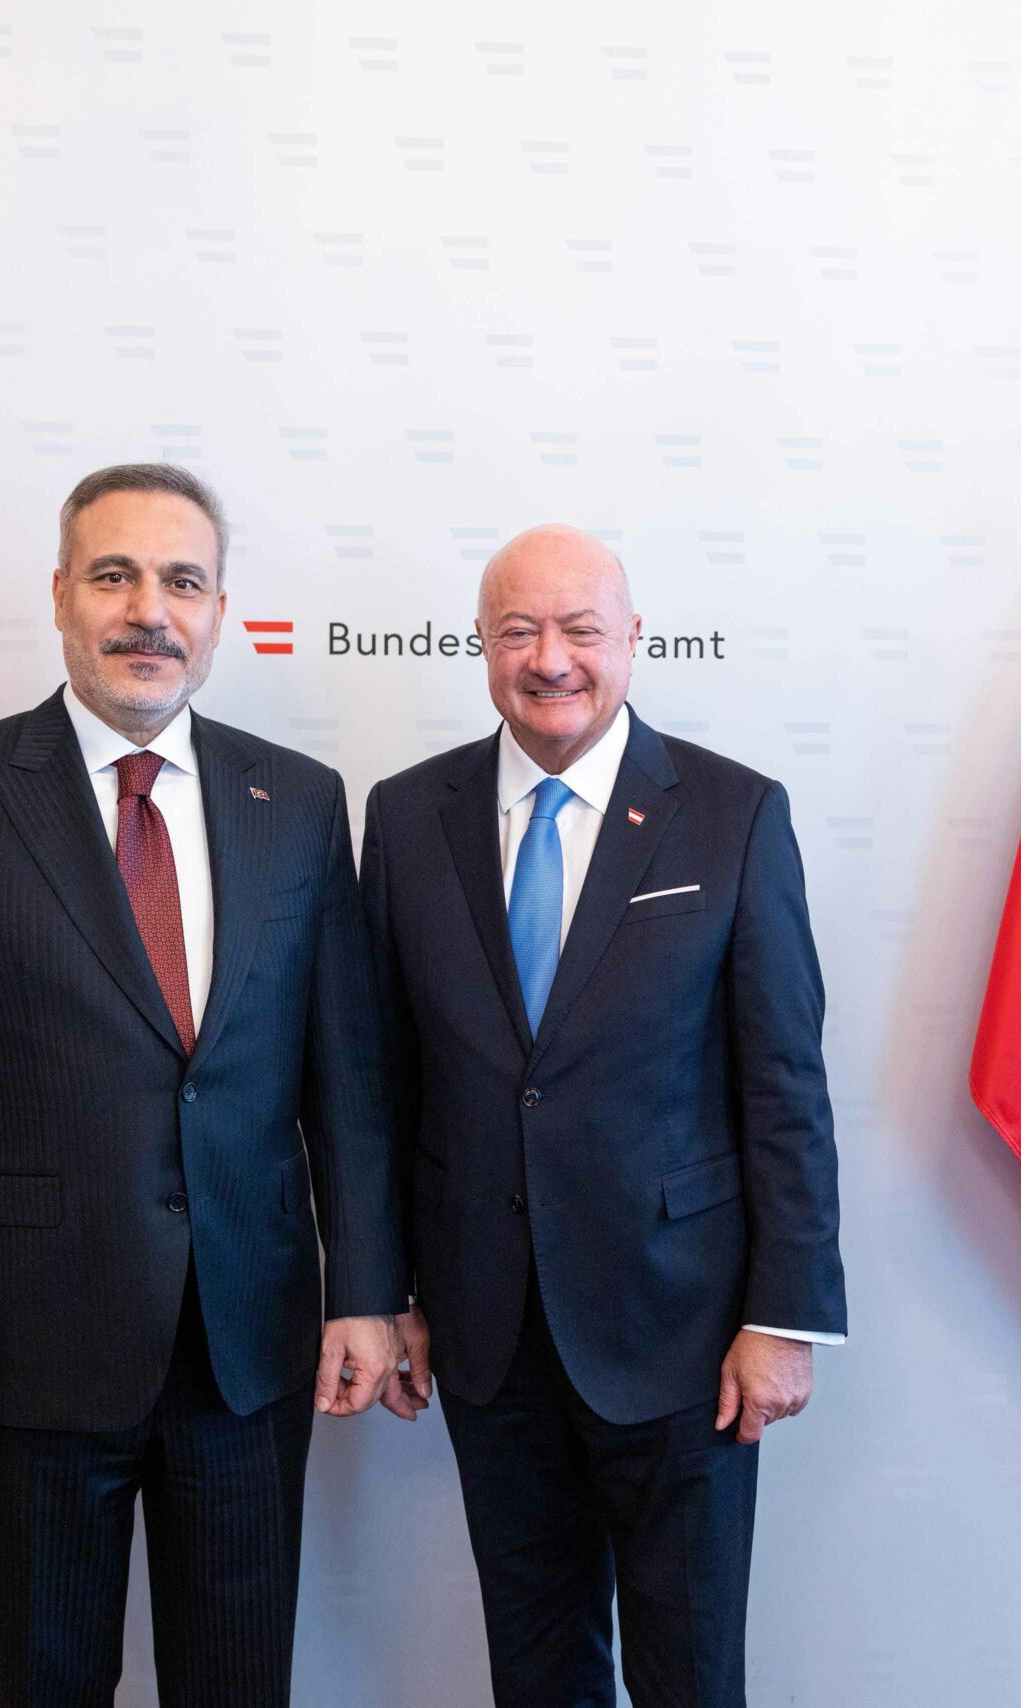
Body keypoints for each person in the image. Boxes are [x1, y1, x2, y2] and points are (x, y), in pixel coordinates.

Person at [0, 463, 403, 1708]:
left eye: (182, 582)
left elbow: (346, 1080)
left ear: (219, 611)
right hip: (30, 1350)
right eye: (115, 576)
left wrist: (365, 1290)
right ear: (59, 595)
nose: (150, 610)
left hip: (247, 1349)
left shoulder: (299, 802)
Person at [360, 524, 847, 1707]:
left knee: (691, 1673)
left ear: (632, 638)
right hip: (486, 1329)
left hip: (684, 1333)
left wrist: (785, 1313)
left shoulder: (732, 812)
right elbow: (380, 1081)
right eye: (518, 630)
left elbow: (783, 1081)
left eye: (580, 629)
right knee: (537, 1673)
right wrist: (384, 1288)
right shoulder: (407, 814)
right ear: (481, 644)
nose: (550, 659)